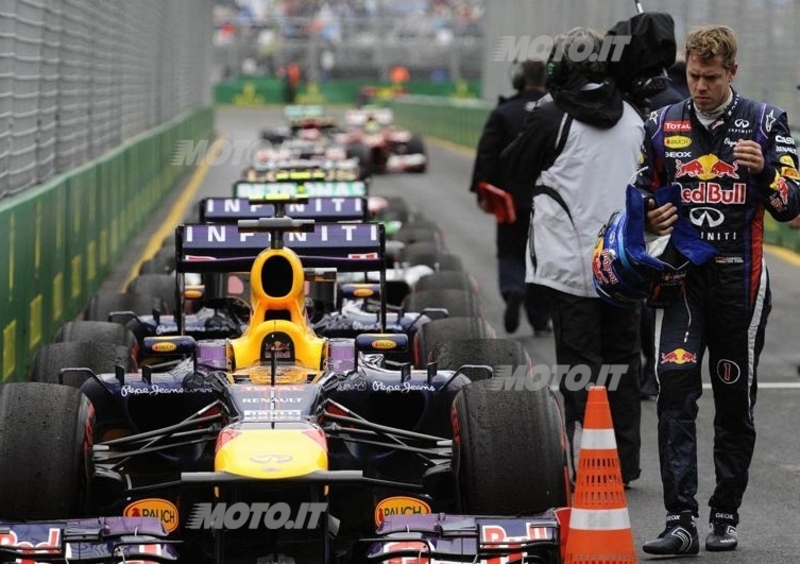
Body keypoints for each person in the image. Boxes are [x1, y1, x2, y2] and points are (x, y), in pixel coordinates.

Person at [637, 25, 800, 555]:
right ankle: (679, 519)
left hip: (741, 282)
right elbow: (638, 199)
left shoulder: (767, 122)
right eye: (692, 76)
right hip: (681, 281)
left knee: (734, 404)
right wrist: (650, 215)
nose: (700, 87)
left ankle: (724, 514)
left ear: (732, 72)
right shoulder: (661, 124)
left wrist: (768, 171)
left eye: (710, 77)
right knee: (675, 393)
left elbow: (793, 207)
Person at [500, 28, 643, 486]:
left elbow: (512, 168)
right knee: (623, 359)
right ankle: (625, 463)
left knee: (581, 367)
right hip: (623, 263)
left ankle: (589, 460)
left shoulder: (551, 116)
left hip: (570, 262)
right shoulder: (634, 117)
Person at [469, 59, 551, 336]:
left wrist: (481, 190)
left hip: (510, 200)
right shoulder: (556, 111)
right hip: (550, 201)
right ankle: (540, 319)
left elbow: (487, 154)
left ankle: (513, 289)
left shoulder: (504, 112)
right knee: (543, 256)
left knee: (510, 251)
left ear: (518, 80)